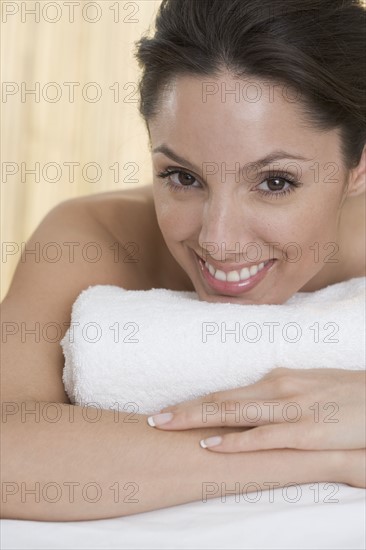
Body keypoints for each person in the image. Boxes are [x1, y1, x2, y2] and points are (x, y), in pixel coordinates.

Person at [1, 0, 365, 521]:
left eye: (275, 182)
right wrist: (319, 449)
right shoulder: (95, 236)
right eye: (183, 177)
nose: (219, 240)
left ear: (357, 165)